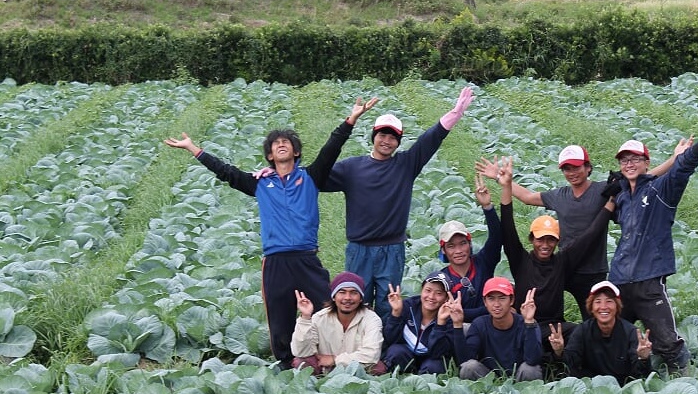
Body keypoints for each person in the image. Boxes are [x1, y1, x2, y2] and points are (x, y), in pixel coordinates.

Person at [164, 97, 378, 370]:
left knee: (325, 306)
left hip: (306, 257)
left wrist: (351, 119)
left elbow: (331, 149)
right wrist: (193, 148)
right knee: (279, 313)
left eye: (286, 142)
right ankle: (287, 363)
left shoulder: (310, 177)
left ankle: (329, 358)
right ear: (269, 155)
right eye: (276, 144)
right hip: (275, 260)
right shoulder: (260, 184)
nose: (281, 145)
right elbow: (226, 172)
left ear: (296, 152)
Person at [475, 142, 686, 317]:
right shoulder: (560, 196)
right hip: (564, 268)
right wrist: (500, 179)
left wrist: (674, 160)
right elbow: (528, 197)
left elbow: (639, 179)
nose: (572, 173)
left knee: (595, 319)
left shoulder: (602, 191)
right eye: (567, 169)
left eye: (576, 167)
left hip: (592, 270)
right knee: (543, 306)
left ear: (588, 168)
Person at [323, 87, 475, 317]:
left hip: (392, 249)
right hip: (359, 249)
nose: (386, 141)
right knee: (356, 303)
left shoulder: (405, 165)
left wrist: (454, 114)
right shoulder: (351, 168)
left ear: (398, 142)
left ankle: (386, 340)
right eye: (382, 135)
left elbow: (430, 140)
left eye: (393, 137)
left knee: (389, 304)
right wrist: (278, 171)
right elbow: (317, 177)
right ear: (373, 137)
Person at [609, 106, 698, 375]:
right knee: (614, 340)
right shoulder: (621, 197)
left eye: (635, 159)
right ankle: (627, 379)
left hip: (649, 281)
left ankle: (684, 382)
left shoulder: (660, 189)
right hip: (619, 280)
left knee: (667, 342)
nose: (629, 164)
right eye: (624, 160)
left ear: (646, 163)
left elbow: (684, 167)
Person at [495, 155, 614, 354]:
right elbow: (507, 227)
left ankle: (562, 360)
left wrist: (610, 204)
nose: (545, 245)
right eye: (540, 239)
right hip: (524, 326)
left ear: (558, 241)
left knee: (586, 334)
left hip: (552, 328)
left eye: (551, 240)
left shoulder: (562, 262)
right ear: (532, 239)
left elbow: (591, 235)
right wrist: (505, 186)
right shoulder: (520, 261)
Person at [549, 280, 653, 383]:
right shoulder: (582, 331)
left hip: (623, 388)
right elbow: (569, 365)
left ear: (617, 306)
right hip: (589, 388)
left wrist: (643, 358)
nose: (603, 307)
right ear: (591, 307)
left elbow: (640, 374)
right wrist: (559, 351)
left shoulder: (630, 332)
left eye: (609, 301)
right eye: (598, 301)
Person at [291, 271, 387, 376]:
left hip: (355, 370)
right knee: (301, 362)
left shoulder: (371, 319)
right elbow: (301, 352)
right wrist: (305, 318)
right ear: (333, 297)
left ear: (360, 298)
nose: (347, 298)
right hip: (324, 367)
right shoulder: (319, 318)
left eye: (354, 293)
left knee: (378, 368)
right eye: (342, 292)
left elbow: (371, 354)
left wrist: (335, 359)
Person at [449, 277, 543, 381]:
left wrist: (529, 322)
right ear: (485, 302)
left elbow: (533, 360)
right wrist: (457, 324)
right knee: (469, 367)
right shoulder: (479, 324)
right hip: (488, 379)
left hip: (519, 378)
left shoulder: (527, 324)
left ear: (511, 300)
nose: (496, 304)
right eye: (491, 299)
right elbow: (465, 360)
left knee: (530, 370)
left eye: (502, 298)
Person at [437, 173, 502, 323]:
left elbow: (497, 237)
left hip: (490, 326)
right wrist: (486, 310)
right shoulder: (442, 279)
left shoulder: (483, 262)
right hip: (459, 330)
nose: (458, 251)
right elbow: (444, 314)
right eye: (451, 246)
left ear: (470, 244)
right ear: (443, 250)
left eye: (463, 243)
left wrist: (487, 207)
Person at [381, 271, 454, 374]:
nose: (431, 296)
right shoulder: (407, 306)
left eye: (439, 293)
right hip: (406, 355)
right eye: (428, 290)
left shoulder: (449, 318)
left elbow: (438, 354)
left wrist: (440, 324)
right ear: (421, 290)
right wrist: (396, 314)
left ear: (446, 298)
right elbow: (390, 340)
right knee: (395, 351)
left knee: (433, 366)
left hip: (431, 359)